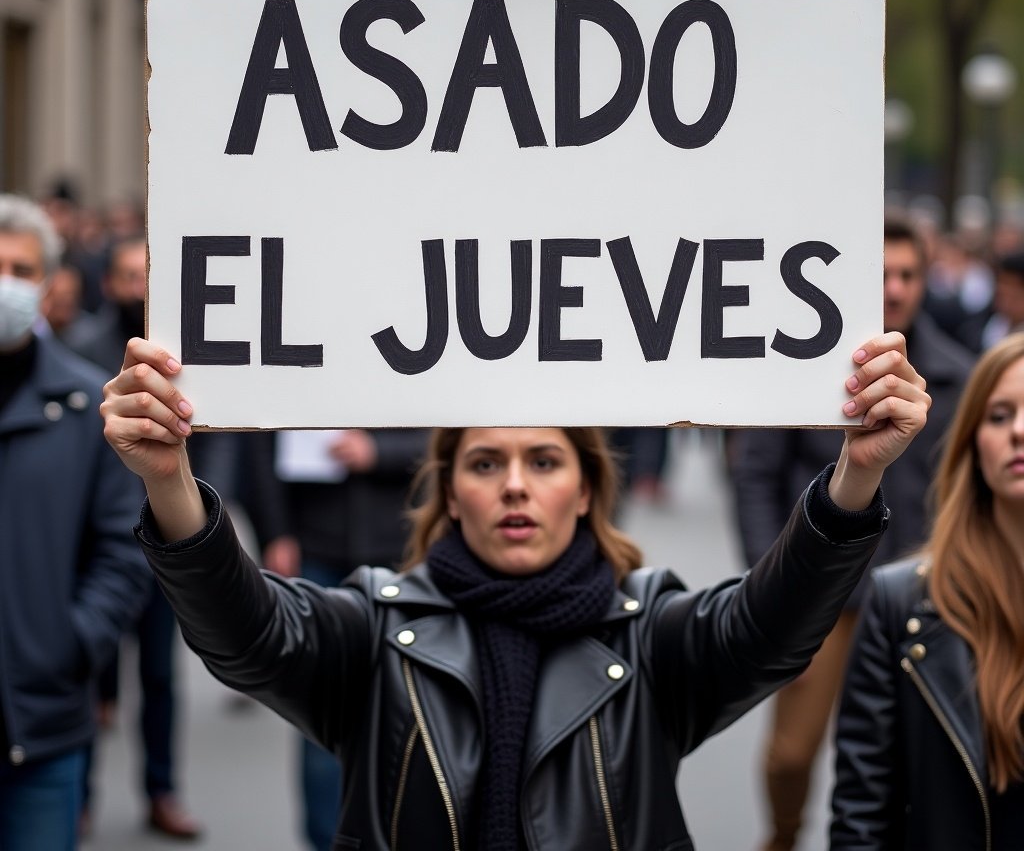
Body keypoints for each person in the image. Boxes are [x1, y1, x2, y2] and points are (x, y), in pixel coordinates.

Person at [100, 329, 929, 851]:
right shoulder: (375, 631)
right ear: (451, 491)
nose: (516, 487)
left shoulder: (650, 637)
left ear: (586, 487)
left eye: (544, 461)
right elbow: (247, 636)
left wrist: (855, 476)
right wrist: (171, 484)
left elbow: (770, 626)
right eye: (486, 463)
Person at [728, 211, 974, 851]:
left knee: (905, 758)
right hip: (823, 593)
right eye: (882, 273)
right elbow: (755, 471)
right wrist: (773, 577)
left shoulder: (955, 373)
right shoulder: (803, 359)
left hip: (923, 594)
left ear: (925, 278)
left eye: (908, 273)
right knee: (791, 755)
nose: (894, 287)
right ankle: (780, 837)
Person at [831, 332, 1024, 849]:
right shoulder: (901, 601)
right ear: (972, 443)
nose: (1019, 431)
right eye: (1001, 415)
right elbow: (861, 812)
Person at [0, 194, 150, 851]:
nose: (6, 283)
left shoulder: (88, 403)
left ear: (51, 283)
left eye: (22, 270)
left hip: (43, 725)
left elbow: (123, 550)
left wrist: (71, 642)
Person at [67, 234, 203, 840]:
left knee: (158, 677)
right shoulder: (82, 353)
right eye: (126, 276)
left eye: (143, 277)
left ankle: (161, 789)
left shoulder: (184, 357)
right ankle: (81, 794)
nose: (135, 288)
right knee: (89, 673)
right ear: (109, 283)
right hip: (98, 545)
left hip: (159, 540)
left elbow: (208, 442)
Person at [240, 427, 427, 851]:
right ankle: (325, 840)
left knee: (411, 708)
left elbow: (444, 432)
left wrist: (378, 451)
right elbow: (259, 445)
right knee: (320, 708)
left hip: (401, 552)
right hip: (317, 549)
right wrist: (275, 532)